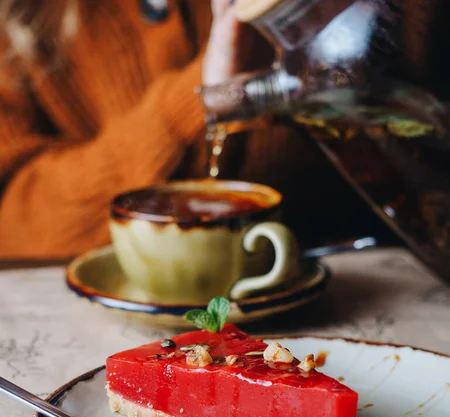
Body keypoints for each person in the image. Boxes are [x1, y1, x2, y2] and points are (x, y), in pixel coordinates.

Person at [0, 0, 392, 260]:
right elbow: (13, 214)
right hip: (104, 324)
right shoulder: (19, 19)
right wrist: (195, 102)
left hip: (359, 289)